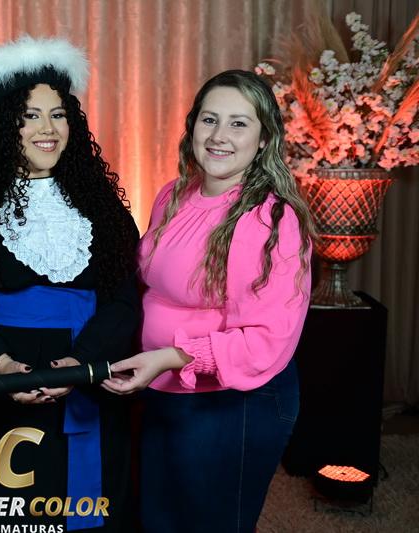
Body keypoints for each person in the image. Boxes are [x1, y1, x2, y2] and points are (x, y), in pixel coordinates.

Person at [0, 36, 140, 531]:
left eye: (58, 115)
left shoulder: (102, 206)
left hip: (83, 377)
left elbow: (125, 300)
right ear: (3, 126)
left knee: (87, 510)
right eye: (30, 116)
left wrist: (81, 364)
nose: (47, 129)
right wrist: (0, 367)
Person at [103, 69, 315, 532]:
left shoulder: (271, 220)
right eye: (209, 119)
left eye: (239, 124)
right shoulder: (174, 194)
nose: (219, 136)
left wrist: (170, 357)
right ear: (193, 126)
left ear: (264, 138)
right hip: (161, 388)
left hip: (231, 401)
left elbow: (266, 340)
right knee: (157, 521)